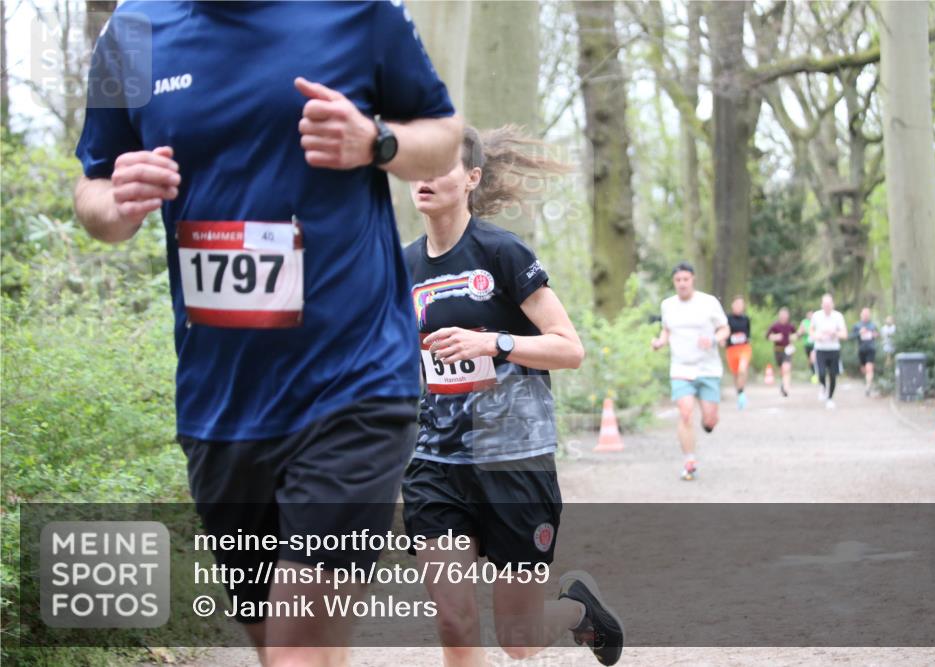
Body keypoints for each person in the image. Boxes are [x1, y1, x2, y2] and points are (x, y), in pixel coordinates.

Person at [73, 3, 462, 665]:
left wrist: (378, 142)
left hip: (353, 382)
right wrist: (119, 200)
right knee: (283, 648)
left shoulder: (361, 13)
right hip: (220, 404)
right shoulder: (131, 34)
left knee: (295, 651)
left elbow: (446, 135)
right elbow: (93, 192)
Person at [402, 126, 624, 666]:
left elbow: (569, 349)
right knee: (455, 621)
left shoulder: (500, 253)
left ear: (472, 178)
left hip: (513, 462)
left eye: (442, 165)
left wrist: (493, 342)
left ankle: (576, 610)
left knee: (518, 639)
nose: (425, 177)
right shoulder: (402, 267)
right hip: (437, 464)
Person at [651, 263, 730, 481]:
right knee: (685, 412)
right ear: (674, 282)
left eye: (686, 279)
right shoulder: (667, 305)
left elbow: (725, 329)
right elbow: (667, 330)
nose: (682, 284)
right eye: (678, 280)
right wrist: (659, 342)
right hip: (681, 367)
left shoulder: (709, 302)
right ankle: (689, 460)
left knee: (710, 420)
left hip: (708, 368)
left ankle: (709, 422)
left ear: (692, 279)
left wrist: (714, 339)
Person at [810, 294, 848, 409]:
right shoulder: (816, 316)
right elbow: (811, 331)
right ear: (822, 305)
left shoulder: (838, 316)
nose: (827, 306)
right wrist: (817, 337)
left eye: (829, 304)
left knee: (833, 375)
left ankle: (830, 398)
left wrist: (834, 333)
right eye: (825, 304)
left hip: (834, 349)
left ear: (832, 304)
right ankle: (823, 386)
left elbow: (844, 334)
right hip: (820, 349)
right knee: (821, 373)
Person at [725, 296, 752, 410]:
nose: (738, 307)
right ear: (732, 305)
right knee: (736, 374)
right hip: (732, 349)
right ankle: (740, 393)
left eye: (741, 304)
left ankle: (741, 392)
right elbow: (724, 332)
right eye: (737, 304)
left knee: (742, 369)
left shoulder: (746, 319)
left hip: (744, 348)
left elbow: (748, 334)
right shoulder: (727, 318)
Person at [766, 307, 798, 397]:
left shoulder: (790, 326)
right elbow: (767, 336)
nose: (784, 317)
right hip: (778, 350)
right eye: (782, 315)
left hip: (787, 350)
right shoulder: (775, 326)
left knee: (786, 368)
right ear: (779, 316)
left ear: (788, 316)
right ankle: (783, 384)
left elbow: (796, 334)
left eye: (785, 315)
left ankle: (786, 388)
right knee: (782, 369)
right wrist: (775, 337)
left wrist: (794, 337)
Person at [851, 307, 880, 396]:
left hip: (871, 349)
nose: (866, 316)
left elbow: (877, 334)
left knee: (869, 368)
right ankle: (867, 380)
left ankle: (868, 387)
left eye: (867, 314)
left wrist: (875, 335)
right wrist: (859, 333)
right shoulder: (857, 325)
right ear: (861, 315)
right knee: (864, 369)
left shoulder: (873, 325)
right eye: (864, 314)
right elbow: (851, 336)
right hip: (861, 350)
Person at [797, 311, 818, 384]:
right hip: (807, 344)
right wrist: (802, 332)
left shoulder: (816, 321)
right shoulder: (804, 322)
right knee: (810, 361)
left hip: (815, 344)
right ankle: (814, 374)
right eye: (809, 315)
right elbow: (799, 333)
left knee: (813, 359)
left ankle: (816, 375)